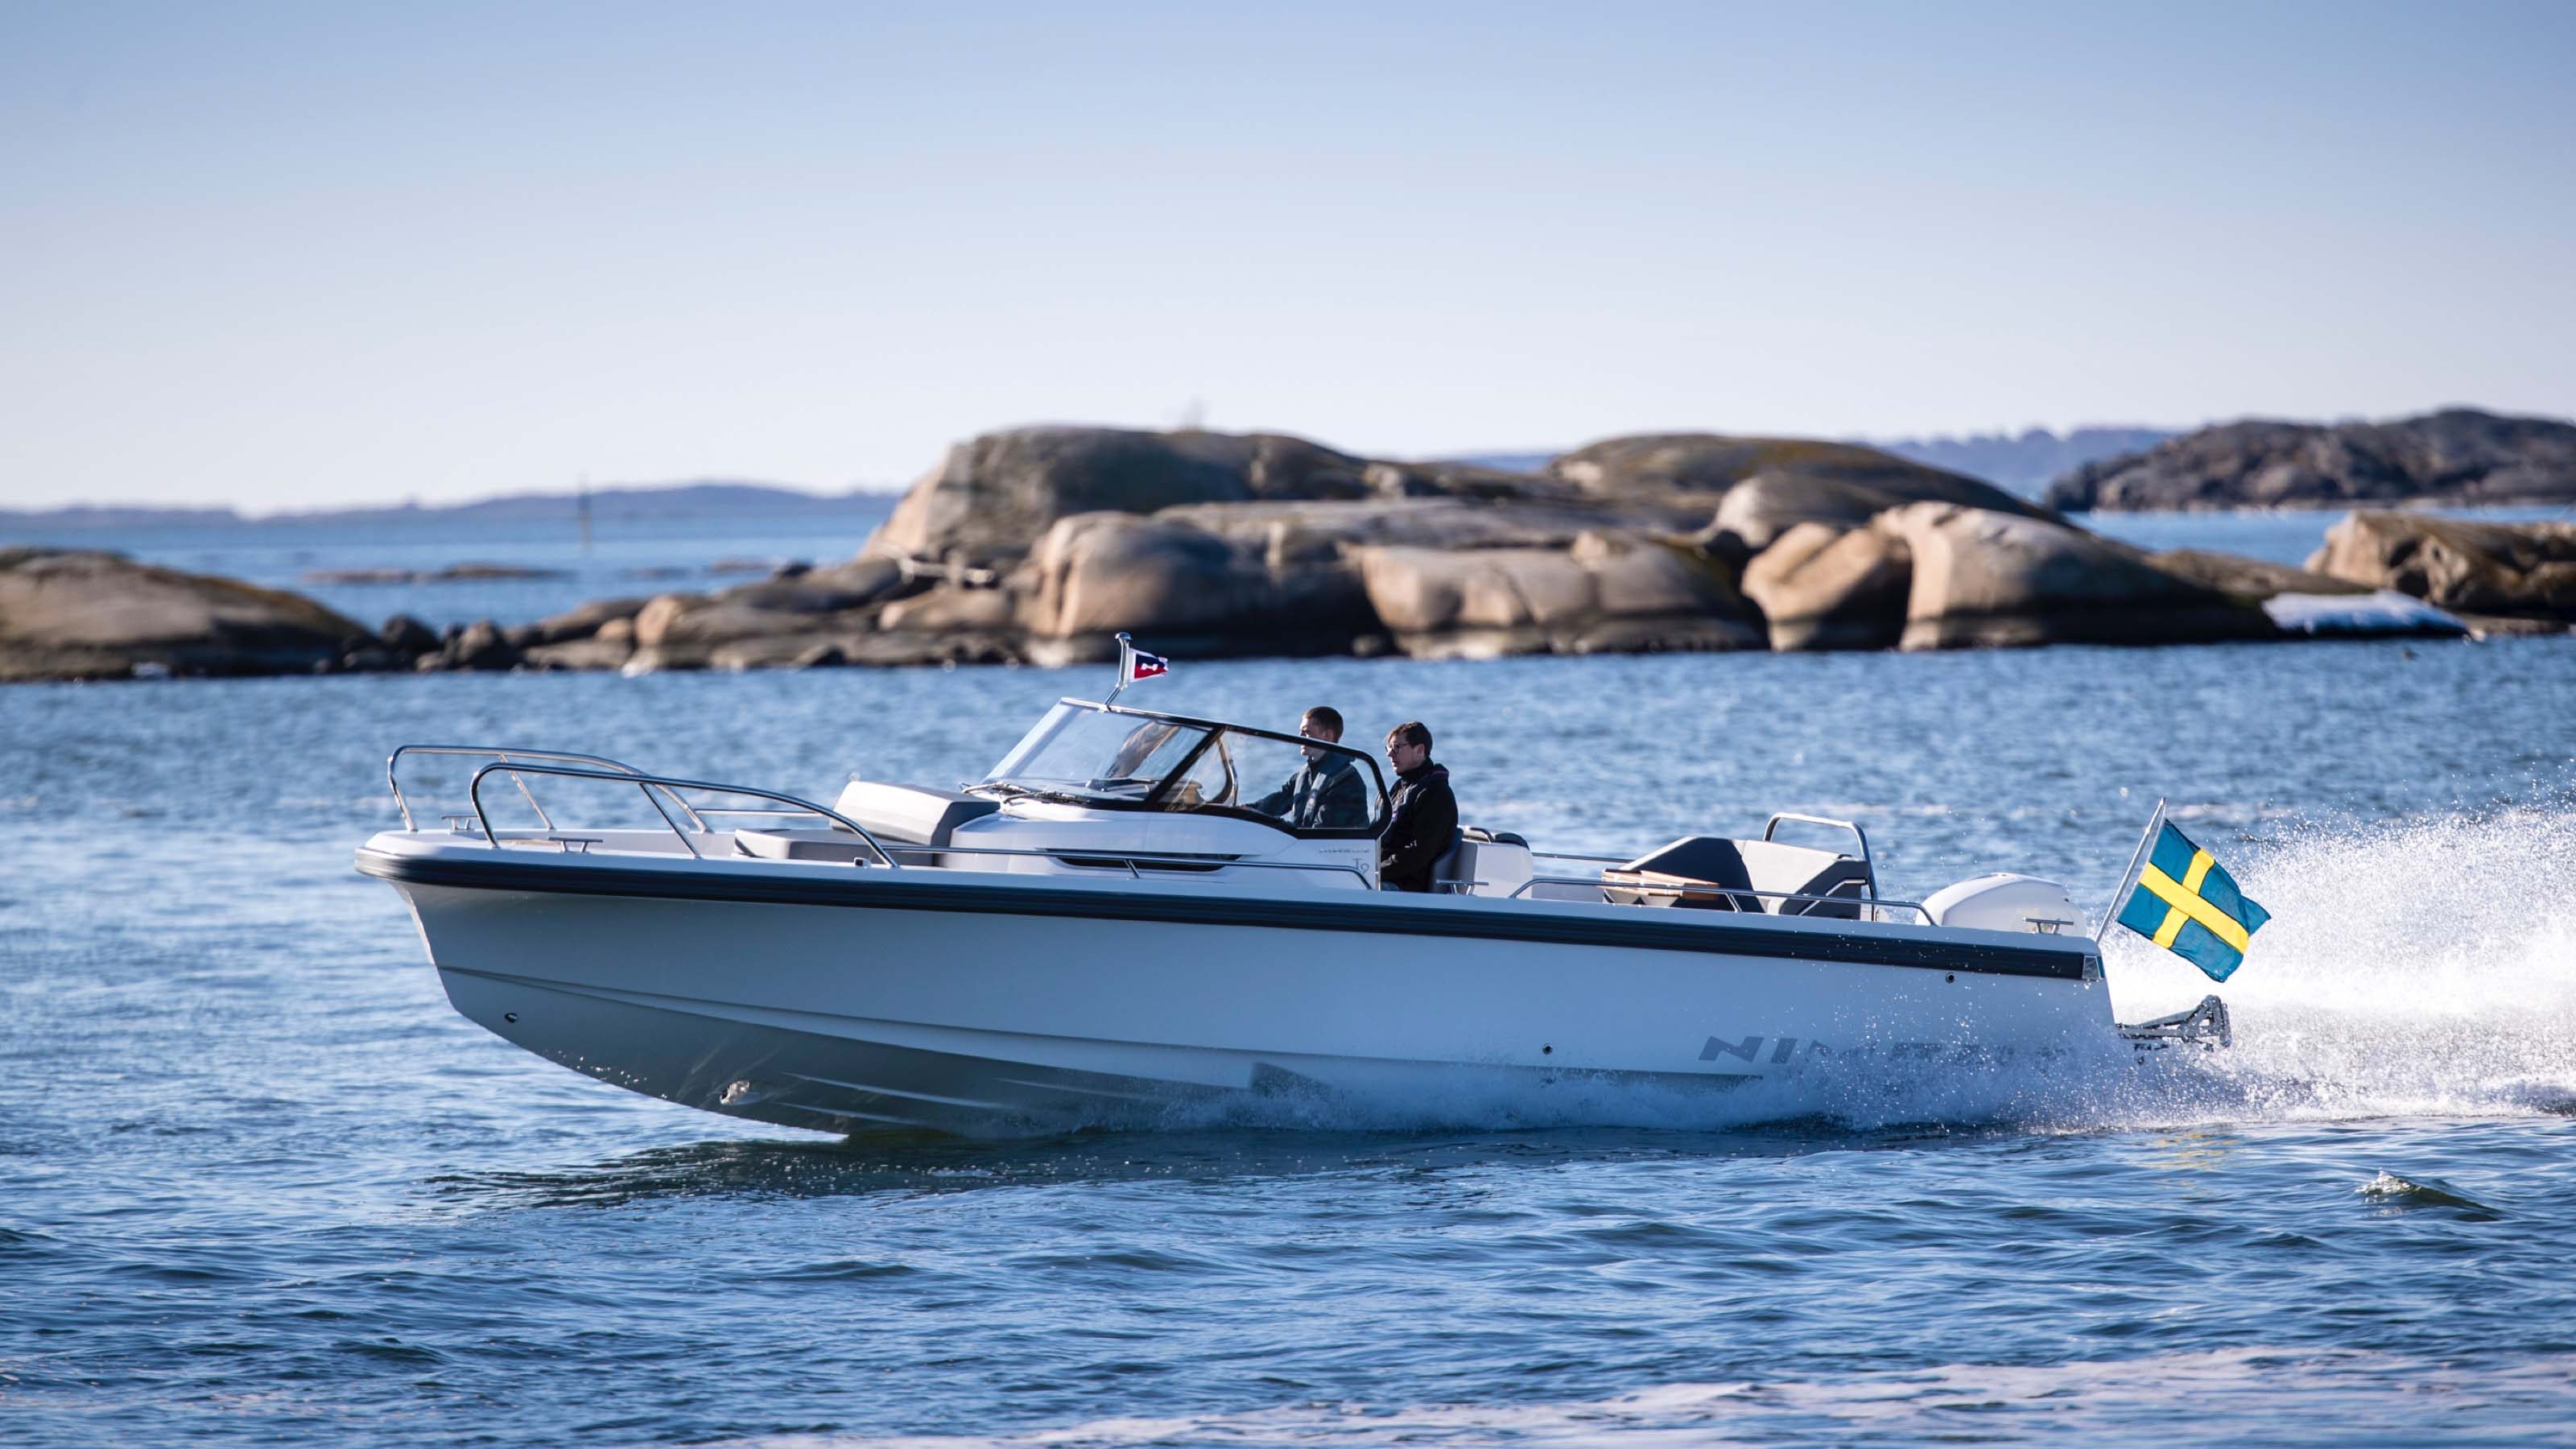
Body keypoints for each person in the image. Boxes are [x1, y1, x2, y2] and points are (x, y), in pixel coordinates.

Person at [1249, 706, 1368, 830]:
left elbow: (1321, 832)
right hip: (1305, 845)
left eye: (1306, 732)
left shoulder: (1345, 780)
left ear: (1327, 735)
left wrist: (1275, 826)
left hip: (1329, 847)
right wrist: (1244, 811)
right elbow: (1278, 800)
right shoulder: (1305, 773)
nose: (1299, 736)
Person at [1377, 720, 1456, 892]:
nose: (1390, 754)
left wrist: (1376, 872)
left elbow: (1418, 853)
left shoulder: (1435, 794)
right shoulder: (1400, 789)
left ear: (1420, 750)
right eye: (1388, 748)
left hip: (1406, 887)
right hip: (1384, 876)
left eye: (1397, 747)